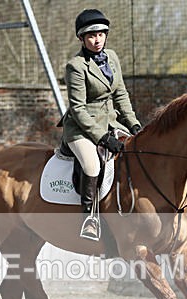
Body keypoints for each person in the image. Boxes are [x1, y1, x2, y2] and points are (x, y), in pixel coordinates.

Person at [60, 8, 142, 240]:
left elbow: (121, 94)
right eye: (91, 36)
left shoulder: (112, 57)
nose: (97, 40)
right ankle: (89, 219)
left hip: (110, 122)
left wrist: (134, 124)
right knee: (92, 165)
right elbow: (78, 109)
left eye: (100, 35)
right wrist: (103, 138)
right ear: (82, 39)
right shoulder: (75, 66)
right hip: (80, 128)